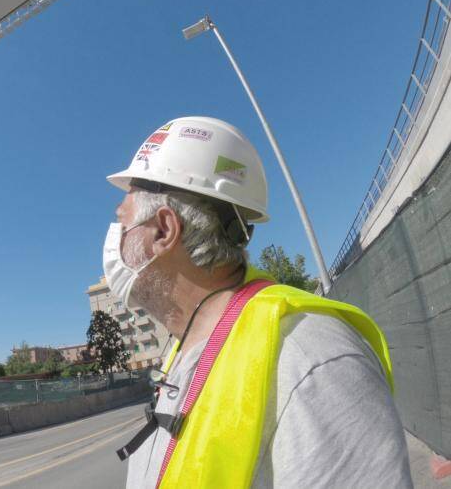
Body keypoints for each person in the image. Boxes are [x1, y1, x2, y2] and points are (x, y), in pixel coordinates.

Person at [103, 116, 411, 488]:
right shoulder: (184, 351)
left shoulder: (307, 358)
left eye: (122, 221)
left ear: (163, 230)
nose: (115, 238)